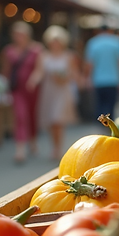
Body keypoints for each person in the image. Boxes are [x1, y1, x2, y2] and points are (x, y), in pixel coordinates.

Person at [30, 25, 77, 161]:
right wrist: (33, 81)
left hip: (62, 92)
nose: (55, 44)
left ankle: (59, 147)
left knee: (58, 119)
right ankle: (54, 146)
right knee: (51, 121)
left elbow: (73, 74)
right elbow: (39, 71)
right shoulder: (43, 56)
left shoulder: (69, 56)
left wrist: (64, 78)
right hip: (49, 91)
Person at [1, 22, 43, 163]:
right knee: (20, 116)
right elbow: (6, 71)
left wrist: (34, 80)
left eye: (22, 34)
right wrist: (4, 87)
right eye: (17, 34)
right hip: (17, 89)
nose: (19, 37)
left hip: (32, 89)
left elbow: (39, 69)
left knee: (31, 116)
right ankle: (20, 150)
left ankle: (33, 141)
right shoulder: (9, 51)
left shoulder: (36, 49)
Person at [84, 24, 119, 120]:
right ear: (110, 30)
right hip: (114, 80)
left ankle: (101, 125)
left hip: (98, 80)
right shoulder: (117, 42)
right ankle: (109, 125)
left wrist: (87, 78)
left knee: (99, 105)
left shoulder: (93, 43)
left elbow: (89, 63)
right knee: (111, 106)